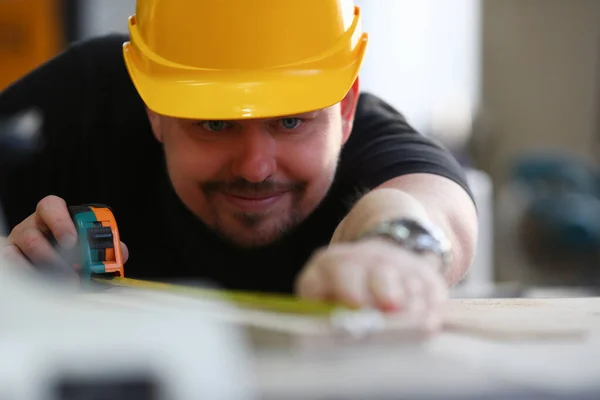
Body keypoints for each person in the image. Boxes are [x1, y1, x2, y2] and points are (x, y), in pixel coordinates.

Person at [0, 0, 477, 327]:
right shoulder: (86, 101)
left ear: (346, 109)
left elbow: (433, 207)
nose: (255, 167)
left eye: (290, 121)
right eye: (214, 124)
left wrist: (393, 246)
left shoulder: (375, 142)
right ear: (153, 109)